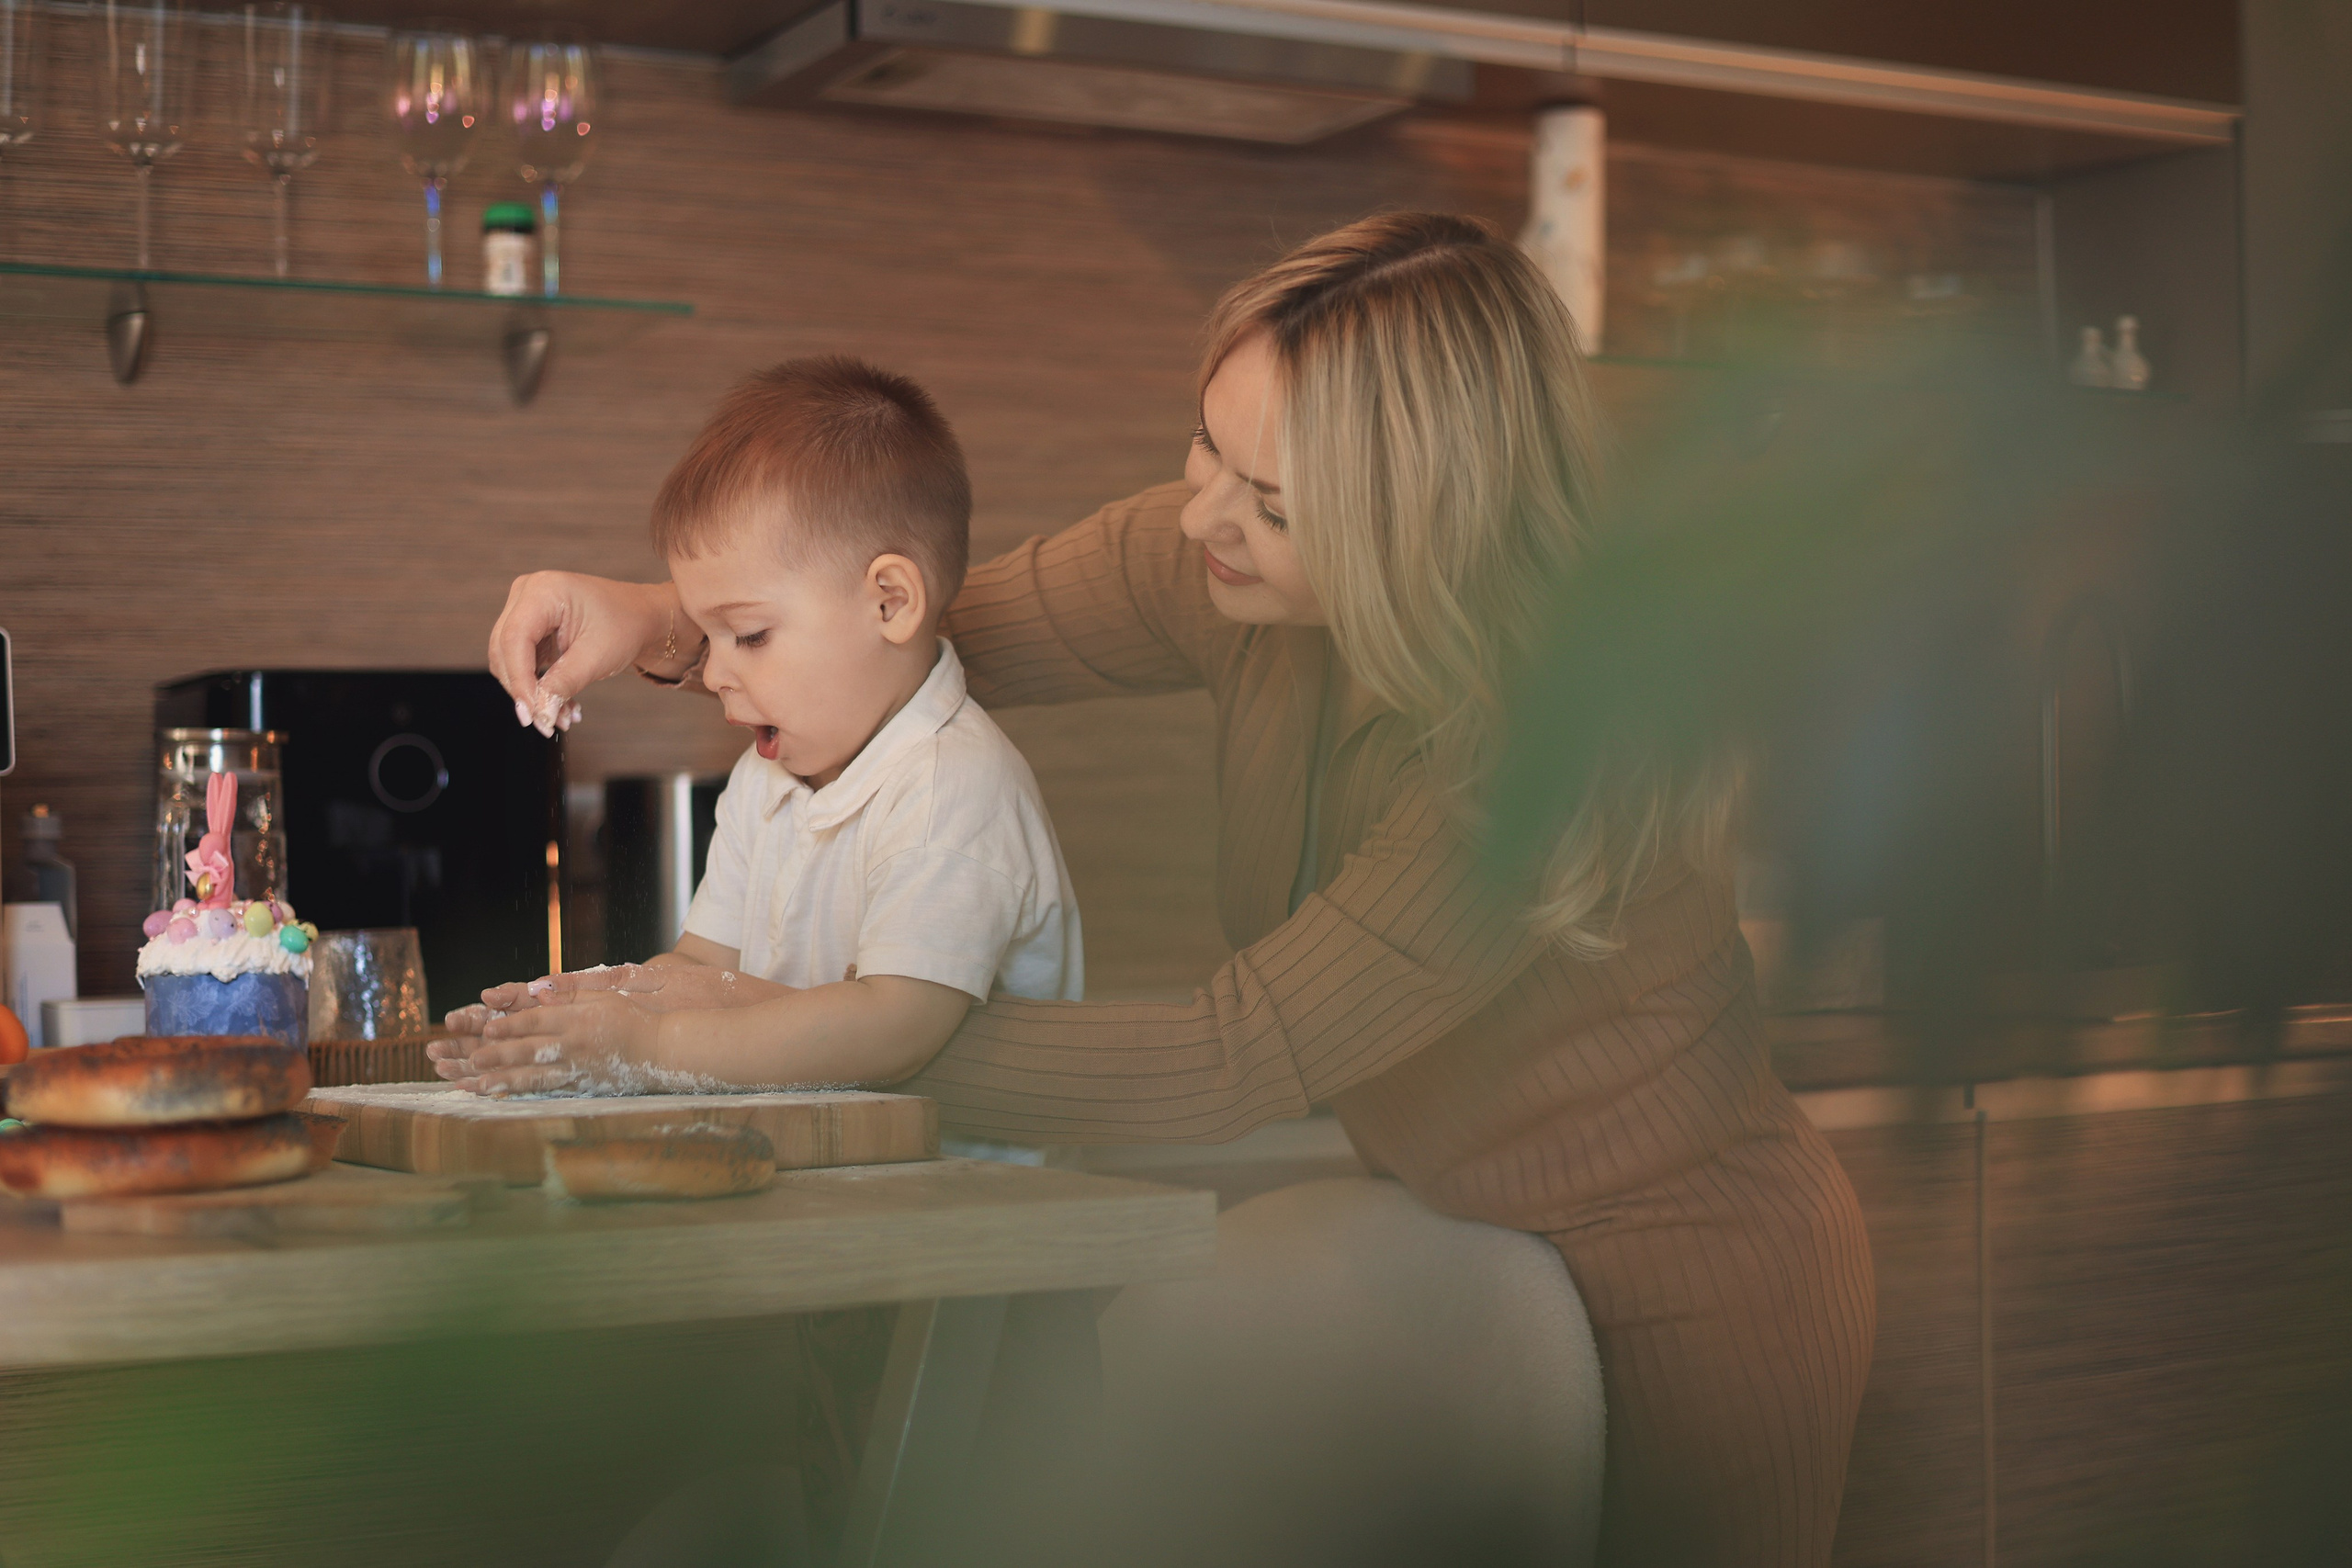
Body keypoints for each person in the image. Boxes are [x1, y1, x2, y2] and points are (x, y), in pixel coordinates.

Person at [453, 213, 1876, 1568]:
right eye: (1206, 440)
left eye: (1269, 500)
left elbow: (1224, 1056)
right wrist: (659, 618)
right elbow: (898, 634)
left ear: (1415, 529)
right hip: (1463, 1228)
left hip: (1693, 1272)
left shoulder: (1527, 761)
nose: (1200, 511)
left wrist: (818, 1032)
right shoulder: (1220, 564)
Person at [432, 356, 1080, 1096]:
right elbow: (709, 970)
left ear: (891, 603)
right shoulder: (766, 776)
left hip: (968, 1199)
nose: (711, 674)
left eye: (751, 635)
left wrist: (652, 1043)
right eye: (708, 635)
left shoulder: (953, 789)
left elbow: (893, 1026)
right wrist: (581, 1010)